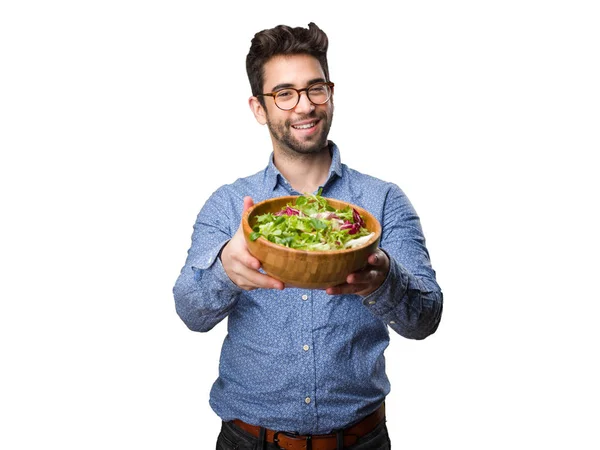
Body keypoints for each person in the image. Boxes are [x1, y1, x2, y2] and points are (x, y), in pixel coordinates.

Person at [174, 22, 443, 450]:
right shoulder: (229, 205)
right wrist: (226, 269)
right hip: (249, 441)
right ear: (259, 108)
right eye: (284, 93)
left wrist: (384, 279)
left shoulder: (383, 200)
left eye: (315, 88)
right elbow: (190, 311)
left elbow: (426, 318)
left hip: (359, 441)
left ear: (330, 94)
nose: (305, 106)